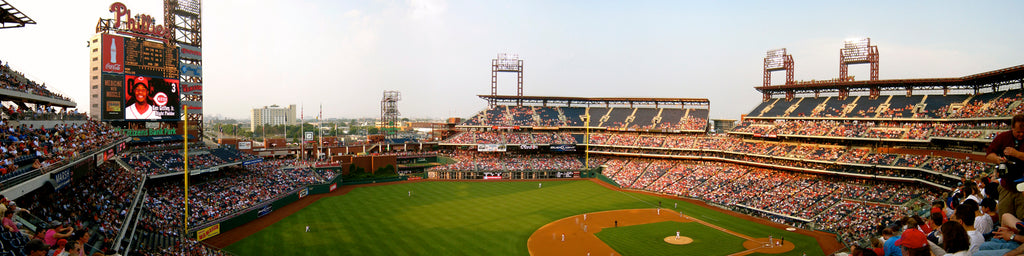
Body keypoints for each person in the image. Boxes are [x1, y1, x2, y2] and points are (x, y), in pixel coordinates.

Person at [986, 114, 1024, 218]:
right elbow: (989, 154)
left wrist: (1016, 154)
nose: (1021, 134)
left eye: (1023, 132)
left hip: (1022, 189)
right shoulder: (1004, 137)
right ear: (1012, 128)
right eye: (1018, 132)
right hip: (1007, 187)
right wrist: (998, 160)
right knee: (1005, 218)